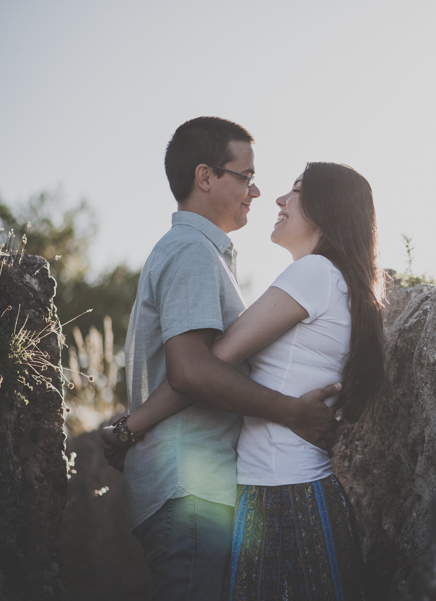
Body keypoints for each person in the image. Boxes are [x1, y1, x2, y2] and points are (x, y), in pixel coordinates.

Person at [107, 161, 384, 600]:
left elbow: (202, 369)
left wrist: (130, 428)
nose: (279, 199)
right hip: (294, 490)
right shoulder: (338, 281)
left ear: (327, 207)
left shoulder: (313, 274)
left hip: (282, 495)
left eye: (296, 190)